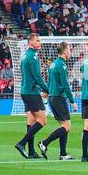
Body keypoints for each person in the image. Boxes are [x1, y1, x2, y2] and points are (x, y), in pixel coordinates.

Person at [14, 31, 50, 159]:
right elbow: (37, 77)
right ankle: (21, 143)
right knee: (42, 120)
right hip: (32, 92)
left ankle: (31, 152)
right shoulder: (33, 57)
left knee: (31, 121)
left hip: (25, 91)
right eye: (37, 41)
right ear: (30, 42)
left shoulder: (25, 56)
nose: (39, 43)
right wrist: (47, 89)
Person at [38, 41, 74, 161]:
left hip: (53, 98)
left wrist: (46, 93)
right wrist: (72, 100)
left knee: (64, 126)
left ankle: (63, 154)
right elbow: (65, 85)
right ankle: (44, 143)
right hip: (58, 98)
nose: (70, 51)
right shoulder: (61, 65)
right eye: (69, 49)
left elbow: (49, 83)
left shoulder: (53, 65)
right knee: (67, 126)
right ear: (64, 51)